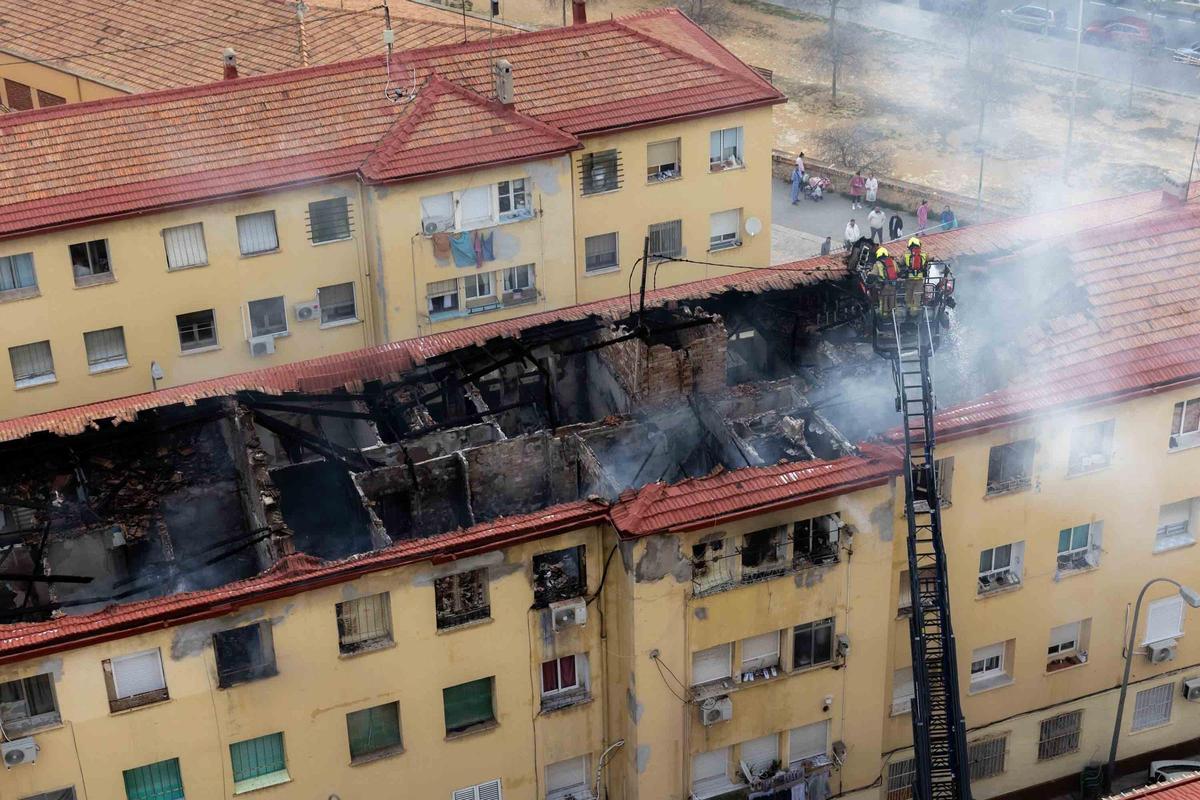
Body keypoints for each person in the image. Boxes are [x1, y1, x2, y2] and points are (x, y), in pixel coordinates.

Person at [903, 237, 926, 311]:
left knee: (909, 293)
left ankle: (908, 308)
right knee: (917, 295)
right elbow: (930, 259)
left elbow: (900, 262)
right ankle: (915, 311)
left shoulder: (906, 255)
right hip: (919, 279)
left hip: (909, 279)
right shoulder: (924, 254)